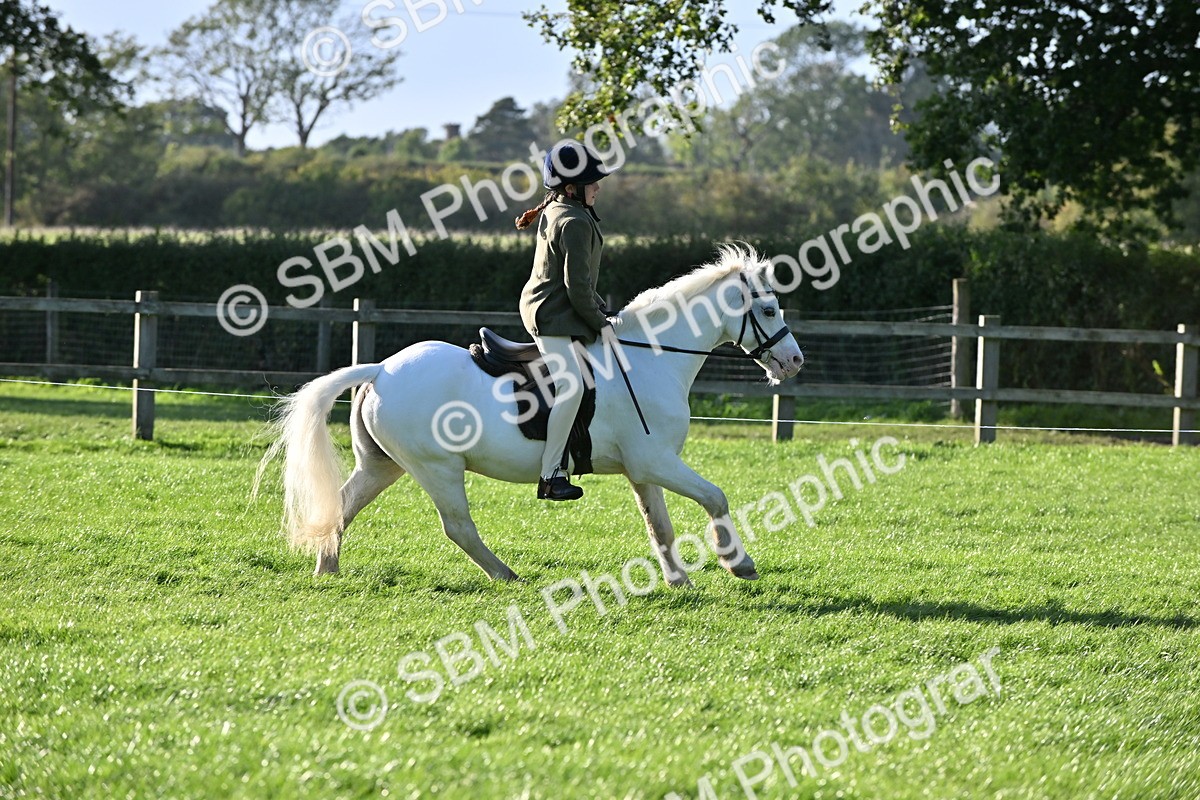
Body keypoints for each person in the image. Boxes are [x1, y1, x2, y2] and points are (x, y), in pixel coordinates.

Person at [514, 141, 616, 501]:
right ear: (572, 188)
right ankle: (550, 473)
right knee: (571, 384)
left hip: (556, 306)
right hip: (552, 313)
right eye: (593, 182)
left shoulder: (561, 209)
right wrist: (602, 325)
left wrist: (602, 311)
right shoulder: (573, 220)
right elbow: (577, 288)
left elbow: (579, 284)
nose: (599, 187)